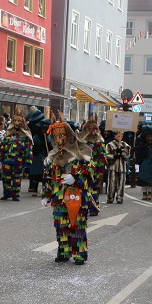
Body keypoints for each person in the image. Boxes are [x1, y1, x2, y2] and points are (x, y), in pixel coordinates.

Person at [40, 111, 93, 265]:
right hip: (59, 197)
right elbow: (48, 177)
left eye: (61, 135)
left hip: (77, 196)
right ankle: (64, 251)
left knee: (77, 225)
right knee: (61, 226)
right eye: (55, 137)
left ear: (68, 135)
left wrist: (75, 178)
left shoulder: (81, 154)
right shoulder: (52, 157)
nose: (58, 140)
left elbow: (90, 171)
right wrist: (46, 195)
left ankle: (79, 254)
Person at [0, 111, 32, 201]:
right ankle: (6, 193)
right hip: (7, 160)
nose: (17, 123)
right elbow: (3, 145)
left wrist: (27, 163)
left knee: (16, 178)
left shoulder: (25, 135)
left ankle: (15, 194)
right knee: (6, 178)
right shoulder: (8, 133)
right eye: (15, 121)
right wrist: (1, 156)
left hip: (18, 161)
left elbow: (28, 149)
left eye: (19, 121)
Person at [80, 116, 108, 215]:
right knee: (81, 189)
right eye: (90, 129)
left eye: (95, 129)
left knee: (93, 189)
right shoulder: (81, 141)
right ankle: (83, 208)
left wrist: (101, 174)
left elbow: (102, 158)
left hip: (94, 170)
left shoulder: (99, 142)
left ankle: (93, 208)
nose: (92, 131)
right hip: (82, 169)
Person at [104, 130, 130, 205]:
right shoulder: (110, 144)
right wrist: (114, 156)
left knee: (121, 183)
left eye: (121, 136)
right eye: (118, 136)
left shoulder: (125, 145)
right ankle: (110, 197)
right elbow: (107, 155)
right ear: (115, 136)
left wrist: (122, 152)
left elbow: (127, 155)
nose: (120, 137)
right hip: (113, 166)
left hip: (122, 167)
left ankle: (120, 197)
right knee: (112, 182)